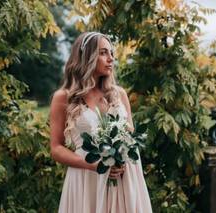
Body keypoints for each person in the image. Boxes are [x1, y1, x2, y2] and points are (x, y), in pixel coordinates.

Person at [49, 32, 152, 213]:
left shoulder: (119, 94)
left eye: (111, 53)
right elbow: (56, 148)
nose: (111, 58)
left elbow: (130, 136)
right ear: (86, 57)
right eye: (103, 53)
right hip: (86, 180)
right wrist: (94, 166)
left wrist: (121, 156)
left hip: (123, 180)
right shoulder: (64, 97)